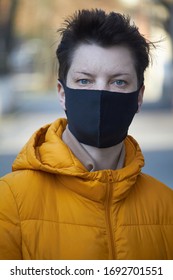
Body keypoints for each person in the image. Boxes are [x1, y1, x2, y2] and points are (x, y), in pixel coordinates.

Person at [0, 9, 173, 260]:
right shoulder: (9, 202)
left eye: (119, 82)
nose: (101, 93)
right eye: (84, 81)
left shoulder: (166, 207)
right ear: (62, 93)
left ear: (139, 96)